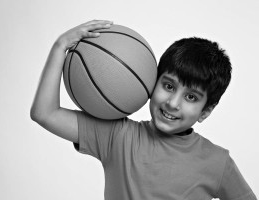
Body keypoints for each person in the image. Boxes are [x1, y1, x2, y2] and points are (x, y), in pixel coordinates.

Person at [31, 20, 257, 200]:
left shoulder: (218, 162)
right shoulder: (117, 136)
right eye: (168, 86)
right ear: (151, 82)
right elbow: (45, 113)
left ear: (206, 111)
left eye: (191, 97)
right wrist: (60, 47)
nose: (172, 103)